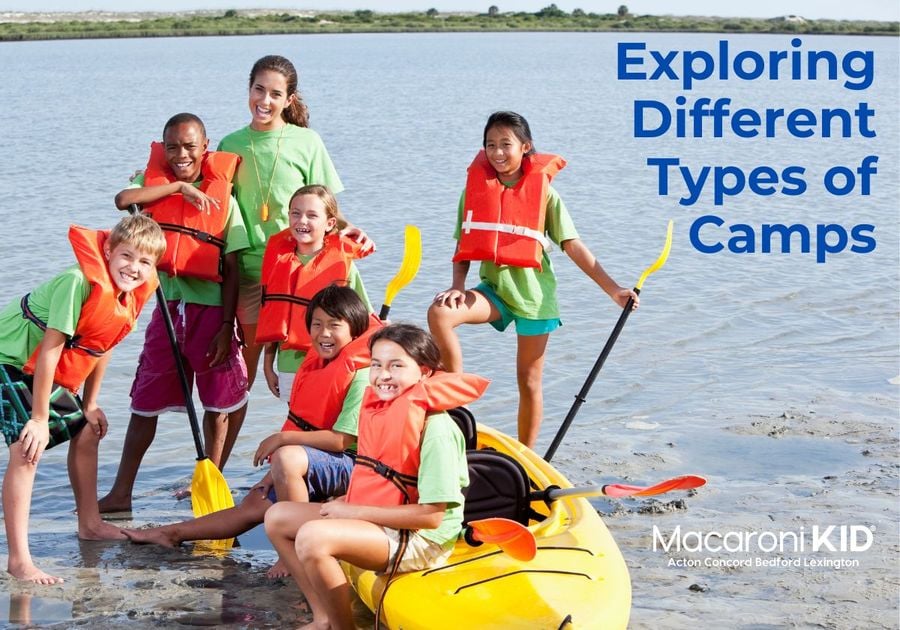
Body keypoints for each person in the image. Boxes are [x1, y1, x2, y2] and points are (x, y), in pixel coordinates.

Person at [124, 286, 381, 579]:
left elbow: (340, 440)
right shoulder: (316, 365)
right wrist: (271, 476)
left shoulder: (361, 378)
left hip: (352, 467)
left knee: (285, 458)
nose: (324, 333)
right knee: (253, 504)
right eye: (317, 324)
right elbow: (302, 424)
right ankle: (170, 533)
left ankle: (297, 549)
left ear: (356, 329)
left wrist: (282, 441)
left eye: (335, 326)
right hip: (315, 461)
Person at [428, 111, 639, 449]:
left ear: (525, 147)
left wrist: (613, 290)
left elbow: (573, 246)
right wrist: (457, 286)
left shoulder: (546, 195)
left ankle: (527, 456)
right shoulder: (473, 192)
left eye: (506, 145)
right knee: (440, 313)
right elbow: (463, 245)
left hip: (534, 300)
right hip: (494, 292)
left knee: (528, 381)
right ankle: (454, 398)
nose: (497, 153)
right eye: (490, 145)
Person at [264, 324, 488, 629]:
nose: (383, 375)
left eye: (396, 365)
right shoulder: (382, 411)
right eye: (376, 365)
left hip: (422, 540)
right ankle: (325, 616)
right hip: (382, 521)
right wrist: (347, 500)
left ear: (424, 372)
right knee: (277, 517)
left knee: (312, 537)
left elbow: (432, 517)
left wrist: (351, 511)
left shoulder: (437, 430)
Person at [0, 215, 166, 584]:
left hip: (35, 369)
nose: (134, 268)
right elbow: (49, 351)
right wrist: (40, 419)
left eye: (144, 262)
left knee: (86, 431)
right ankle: (19, 560)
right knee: (28, 448)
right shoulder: (78, 282)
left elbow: (100, 345)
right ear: (107, 250)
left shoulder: (131, 294)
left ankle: (90, 524)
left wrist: (90, 404)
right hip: (8, 359)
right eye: (126, 256)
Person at [98, 113, 250, 513]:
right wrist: (179, 187)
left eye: (190, 146)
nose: (182, 154)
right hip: (168, 310)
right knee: (144, 399)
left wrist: (226, 326)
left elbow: (232, 267)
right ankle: (121, 492)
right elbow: (122, 201)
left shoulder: (224, 200)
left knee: (218, 405)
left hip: (210, 312)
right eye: (173, 147)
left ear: (206, 146)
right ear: (163, 150)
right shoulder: (155, 193)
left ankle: (210, 486)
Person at [217, 54, 373, 390]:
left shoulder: (307, 142)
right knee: (239, 379)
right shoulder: (229, 144)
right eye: (259, 90)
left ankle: (310, 436)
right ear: (248, 90)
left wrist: (349, 229)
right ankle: (229, 445)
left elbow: (328, 209)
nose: (265, 101)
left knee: (308, 365)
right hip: (246, 274)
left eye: (275, 94)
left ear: (289, 100)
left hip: (299, 271)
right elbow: (213, 203)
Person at [255, 184, 372, 400]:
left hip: (332, 362)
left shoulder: (343, 265)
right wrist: (268, 365)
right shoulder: (277, 261)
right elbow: (271, 312)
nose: (302, 221)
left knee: (326, 427)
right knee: (299, 425)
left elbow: (365, 317)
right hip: (289, 365)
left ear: (330, 223)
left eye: (312, 215)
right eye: (295, 214)